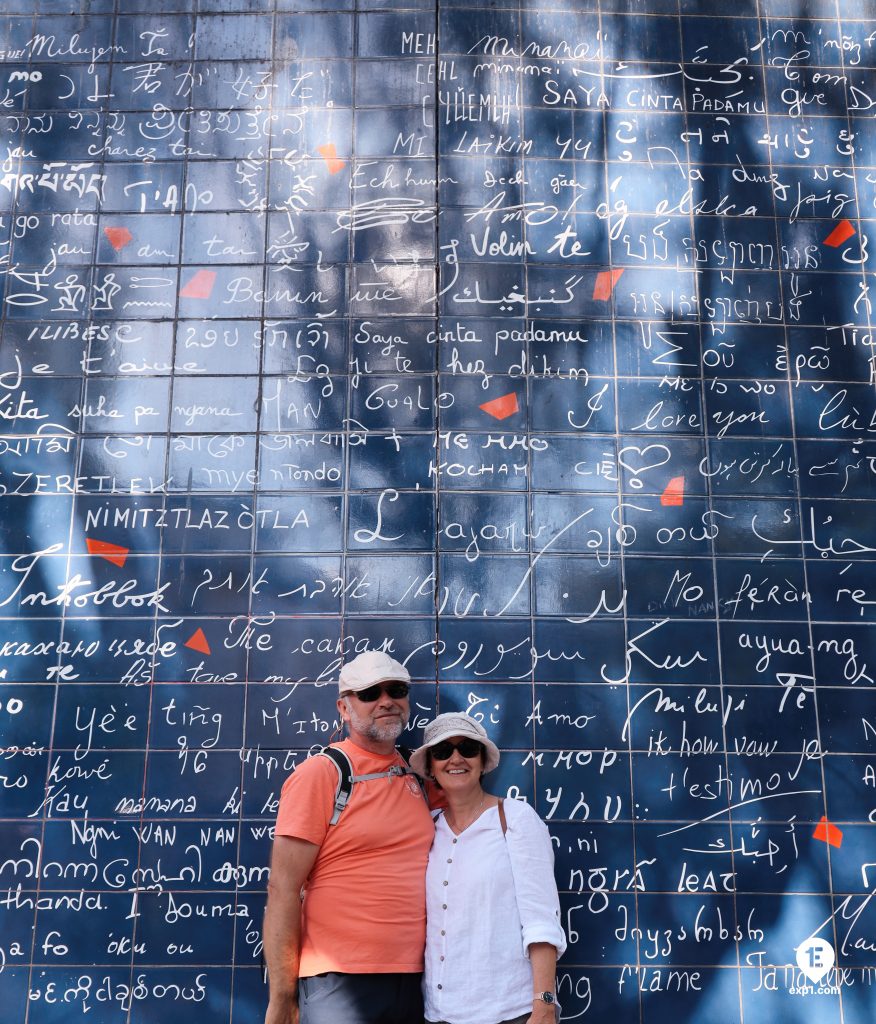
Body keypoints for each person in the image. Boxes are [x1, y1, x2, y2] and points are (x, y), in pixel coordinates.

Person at [262, 650, 434, 1024]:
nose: (386, 700)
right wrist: (282, 996)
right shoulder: (321, 774)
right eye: (370, 693)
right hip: (338, 981)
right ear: (344, 708)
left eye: (396, 690)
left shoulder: (418, 773)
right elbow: (283, 888)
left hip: (417, 979)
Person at [410, 713, 567, 1024]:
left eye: (467, 748)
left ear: (482, 761)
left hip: (509, 1012)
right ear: (430, 767)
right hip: (440, 1014)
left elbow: (541, 918)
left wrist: (544, 1005)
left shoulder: (516, 819)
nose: (456, 758)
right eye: (442, 752)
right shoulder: (427, 830)